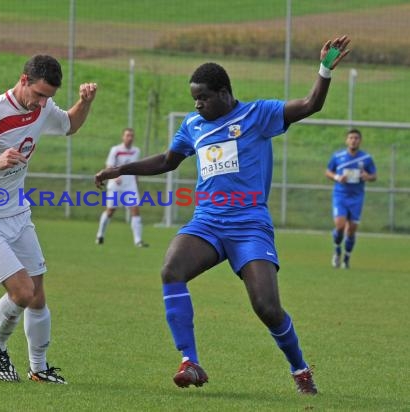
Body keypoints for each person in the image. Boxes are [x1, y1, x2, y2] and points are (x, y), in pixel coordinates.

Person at [95, 36, 351, 394]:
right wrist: (122, 170)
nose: (198, 104)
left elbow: (310, 104)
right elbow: (169, 160)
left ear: (225, 93)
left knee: (267, 308)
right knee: (171, 269)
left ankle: (300, 369)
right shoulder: (192, 125)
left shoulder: (257, 115)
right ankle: (190, 361)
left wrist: (324, 69)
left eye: (204, 97)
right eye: (194, 98)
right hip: (208, 222)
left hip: (249, 226)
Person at [0, 55, 97, 383]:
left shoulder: (43, 108)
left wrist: (84, 102)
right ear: (24, 80)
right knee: (22, 292)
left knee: (38, 294)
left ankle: (39, 368)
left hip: (16, 212)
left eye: (49, 97)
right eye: (40, 94)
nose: (43, 103)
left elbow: (70, 124)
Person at [325, 129, 376, 269]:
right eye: (351, 137)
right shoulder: (338, 156)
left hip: (357, 197)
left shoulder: (366, 158)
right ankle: (337, 250)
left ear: (360, 140)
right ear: (347, 140)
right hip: (340, 195)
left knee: (351, 230)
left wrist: (368, 176)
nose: (354, 140)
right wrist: (337, 177)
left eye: (356, 138)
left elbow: (374, 176)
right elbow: (328, 171)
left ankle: (346, 257)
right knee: (340, 226)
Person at [96, 128, 148, 247]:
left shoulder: (136, 151)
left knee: (135, 210)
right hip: (116, 185)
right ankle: (100, 235)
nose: (130, 138)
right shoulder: (116, 150)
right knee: (110, 211)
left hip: (130, 185)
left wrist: (136, 181)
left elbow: (136, 168)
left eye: (132, 136)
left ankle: (138, 241)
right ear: (123, 137)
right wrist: (115, 177)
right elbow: (109, 165)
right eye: (127, 135)